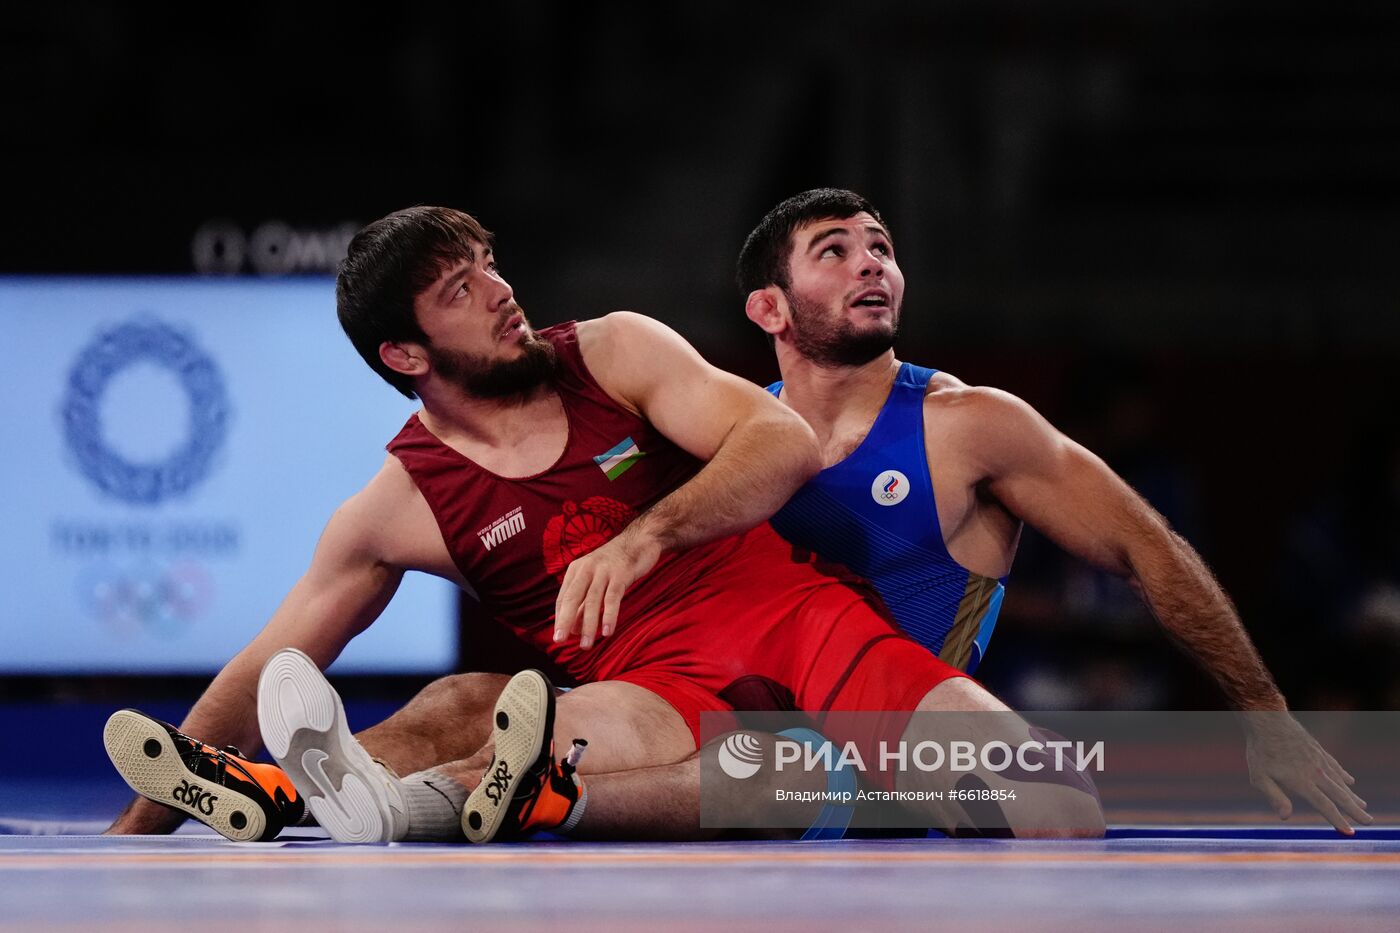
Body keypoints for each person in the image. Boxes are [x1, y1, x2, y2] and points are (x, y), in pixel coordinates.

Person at [105, 205, 1082, 844]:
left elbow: (778, 439)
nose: (500, 290)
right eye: (460, 289)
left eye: (488, 265)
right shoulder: (400, 505)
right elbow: (268, 663)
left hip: (805, 630)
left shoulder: (613, 352)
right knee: (496, 731)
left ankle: (337, 798)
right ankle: (295, 792)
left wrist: (645, 535)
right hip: (651, 697)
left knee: (1053, 798)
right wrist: (133, 835)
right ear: (406, 354)